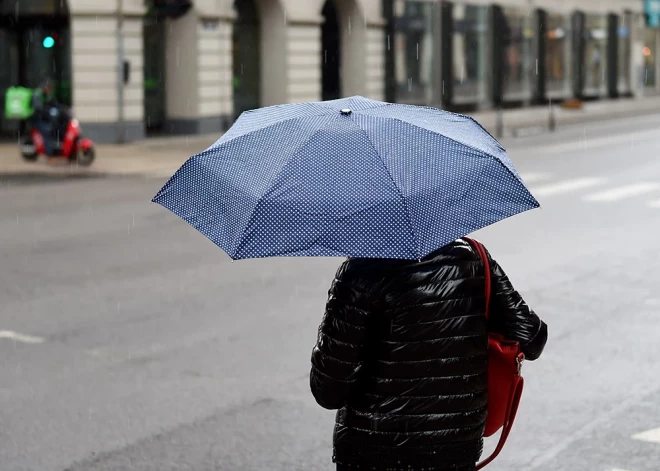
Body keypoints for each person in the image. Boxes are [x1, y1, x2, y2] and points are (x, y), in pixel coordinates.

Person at [310, 238, 548, 471]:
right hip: (454, 447)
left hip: (373, 449)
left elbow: (329, 391)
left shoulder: (359, 272)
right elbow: (532, 337)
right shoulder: (473, 257)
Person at [30, 79, 57, 157]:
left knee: (55, 128)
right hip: (36, 120)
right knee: (47, 131)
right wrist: (48, 111)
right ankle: (49, 155)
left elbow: (53, 104)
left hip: (43, 119)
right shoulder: (37, 95)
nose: (50, 90)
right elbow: (38, 108)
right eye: (49, 88)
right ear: (45, 87)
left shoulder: (46, 95)